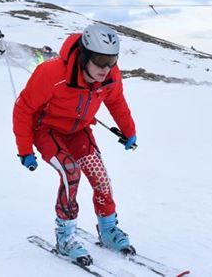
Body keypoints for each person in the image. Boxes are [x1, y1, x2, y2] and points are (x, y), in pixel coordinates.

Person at [12, 23, 137, 265]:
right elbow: (23, 109)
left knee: (100, 177)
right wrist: (25, 150)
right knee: (71, 172)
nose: (106, 68)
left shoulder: (110, 76)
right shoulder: (51, 74)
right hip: (47, 131)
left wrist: (129, 131)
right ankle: (65, 236)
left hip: (78, 131)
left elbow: (117, 102)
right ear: (84, 55)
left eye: (112, 60)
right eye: (100, 60)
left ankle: (109, 229)